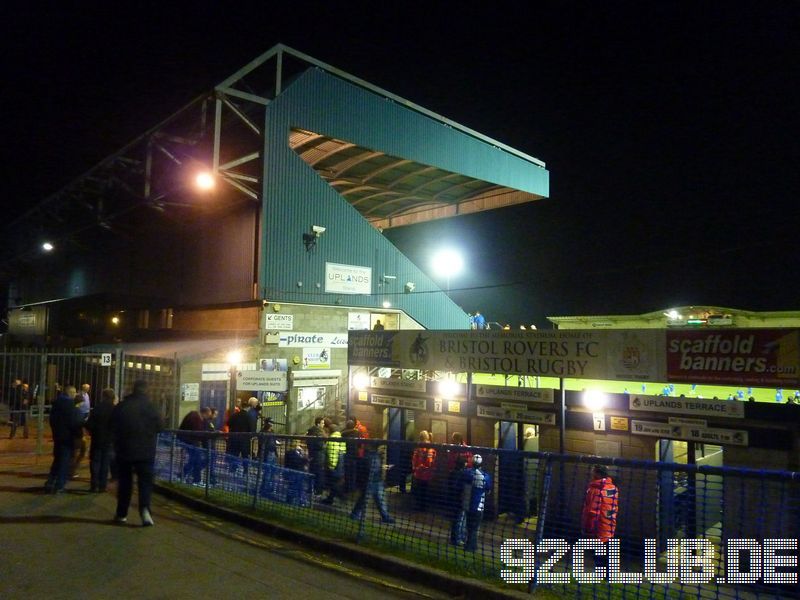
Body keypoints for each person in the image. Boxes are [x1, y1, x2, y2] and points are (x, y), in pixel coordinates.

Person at [111, 380, 163, 526]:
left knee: (125, 483)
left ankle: (121, 514)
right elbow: (160, 427)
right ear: (147, 390)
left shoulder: (122, 406)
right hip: (146, 451)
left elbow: (113, 425)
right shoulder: (152, 407)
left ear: (133, 390)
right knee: (145, 483)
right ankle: (145, 511)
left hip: (124, 450)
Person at [44, 385, 84, 493]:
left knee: (57, 460)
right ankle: (60, 485)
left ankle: (50, 482)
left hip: (57, 436)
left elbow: (52, 420)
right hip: (67, 437)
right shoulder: (70, 405)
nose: (76, 395)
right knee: (64, 462)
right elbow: (75, 421)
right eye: (74, 392)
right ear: (71, 393)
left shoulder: (57, 404)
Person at [581, 464, 619, 566]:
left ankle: (602, 576)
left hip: (598, 527)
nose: (591, 474)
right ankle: (608, 576)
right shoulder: (613, 488)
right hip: (609, 524)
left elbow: (593, 511)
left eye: (593, 472)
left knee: (599, 554)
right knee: (607, 552)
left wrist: (588, 527)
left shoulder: (595, 489)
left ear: (598, 474)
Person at [351, 447, 394, 524]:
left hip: (375, 481)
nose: (384, 451)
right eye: (382, 449)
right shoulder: (372, 456)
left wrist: (384, 467)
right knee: (366, 500)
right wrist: (382, 467)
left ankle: (385, 516)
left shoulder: (375, 456)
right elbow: (372, 468)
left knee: (378, 500)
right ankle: (355, 514)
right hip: (371, 482)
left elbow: (374, 467)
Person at [86, 388, 117, 492]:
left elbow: (89, 424)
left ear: (103, 396)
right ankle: (102, 486)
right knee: (105, 464)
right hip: (109, 441)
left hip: (97, 439)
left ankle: (94, 484)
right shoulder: (115, 409)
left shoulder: (97, 408)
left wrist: (94, 431)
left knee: (95, 462)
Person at [460, 454, 492, 551]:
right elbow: (488, 490)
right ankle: (472, 546)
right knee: (475, 527)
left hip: (467, 505)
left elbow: (461, 485)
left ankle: (469, 545)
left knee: (469, 526)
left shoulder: (466, 473)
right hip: (479, 506)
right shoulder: (486, 476)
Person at [179, 406, 211, 484]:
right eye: (207, 416)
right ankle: (195, 479)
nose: (206, 419)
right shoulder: (195, 417)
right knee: (196, 460)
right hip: (189, 441)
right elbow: (197, 432)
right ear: (205, 414)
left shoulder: (194, 416)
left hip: (189, 440)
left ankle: (188, 476)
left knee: (195, 460)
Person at [320, 425, 346, 505]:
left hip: (335, 465)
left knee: (333, 483)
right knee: (335, 482)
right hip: (341, 464)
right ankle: (331, 499)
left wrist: (331, 466)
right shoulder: (341, 438)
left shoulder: (332, 440)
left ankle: (339, 496)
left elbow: (332, 454)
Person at [411, 430, 437, 511]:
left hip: (420, 472)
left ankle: (420, 506)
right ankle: (423, 506)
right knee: (424, 489)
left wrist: (416, 468)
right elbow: (432, 460)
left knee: (420, 490)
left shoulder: (420, 447)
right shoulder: (431, 448)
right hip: (427, 473)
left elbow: (415, 459)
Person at [283, 439, 309, 506]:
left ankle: (301, 501)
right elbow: (296, 462)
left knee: (300, 487)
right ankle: (290, 500)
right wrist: (305, 460)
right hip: (293, 473)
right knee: (293, 487)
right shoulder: (290, 453)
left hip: (299, 473)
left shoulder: (299, 452)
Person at [305, 416, 327, 496]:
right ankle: (318, 492)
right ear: (318, 424)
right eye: (322, 423)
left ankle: (310, 489)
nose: (323, 425)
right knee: (319, 474)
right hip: (319, 457)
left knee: (312, 473)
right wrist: (325, 444)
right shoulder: (319, 432)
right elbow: (320, 445)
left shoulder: (310, 431)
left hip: (312, 455)